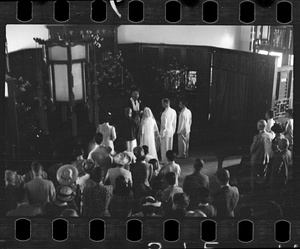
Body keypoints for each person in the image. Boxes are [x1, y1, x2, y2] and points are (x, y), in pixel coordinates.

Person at [250, 119, 273, 192]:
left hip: (257, 159)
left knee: (255, 176)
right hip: (266, 158)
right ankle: (261, 190)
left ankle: (254, 191)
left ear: (259, 126)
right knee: (263, 175)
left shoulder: (257, 137)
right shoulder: (270, 135)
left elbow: (252, 149)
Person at [160, 98, 177, 164]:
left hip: (166, 131)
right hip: (171, 130)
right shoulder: (173, 111)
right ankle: (170, 159)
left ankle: (165, 160)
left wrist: (162, 134)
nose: (162, 104)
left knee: (165, 146)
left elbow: (164, 125)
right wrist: (173, 131)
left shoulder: (164, 113)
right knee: (170, 146)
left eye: (162, 103)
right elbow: (174, 123)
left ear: (165, 103)